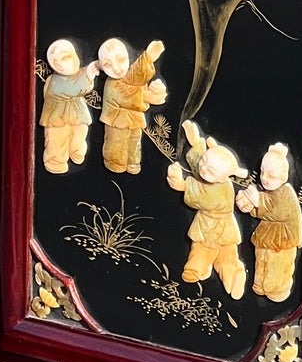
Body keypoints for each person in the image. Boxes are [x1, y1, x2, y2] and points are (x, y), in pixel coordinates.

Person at [167, 119, 246, 299]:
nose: (203, 169)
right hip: (225, 231)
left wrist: (182, 185)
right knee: (222, 255)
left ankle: (229, 275)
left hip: (212, 227)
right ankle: (205, 272)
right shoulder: (209, 174)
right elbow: (198, 168)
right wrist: (197, 144)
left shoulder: (223, 189)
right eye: (204, 162)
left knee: (204, 250)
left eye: (211, 171)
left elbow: (203, 198)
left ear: (224, 176)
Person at [237, 142, 302, 301]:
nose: (264, 179)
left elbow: (275, 210)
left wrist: (256, 199)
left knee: (277, 267)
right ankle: (260, 285)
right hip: (266, 236)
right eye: (262, 173)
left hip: (282, 242)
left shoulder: (286, 193)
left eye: (271, 176)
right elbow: (263, 212)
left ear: (284, 176)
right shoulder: (269, 191)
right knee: (262, 260)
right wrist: (248, 206)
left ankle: (277, 290)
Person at [97, 37, 166, 175]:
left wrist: (148, 58)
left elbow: (136, 74)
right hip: (116, 122)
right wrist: (147, 96)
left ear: (127, 57)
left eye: (121, 60)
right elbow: (125, 96)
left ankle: (133, 162)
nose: (116, 68)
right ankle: (115, 163)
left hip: (134, 120)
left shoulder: (127, 76)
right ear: (101, 66)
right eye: (108, 65)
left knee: (134, 142)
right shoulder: (111, 84)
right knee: (116, 143)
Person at [40, 39, 98, 174]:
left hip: (77, 114)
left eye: (72, 55)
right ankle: (55, 162)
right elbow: (73, 88)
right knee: (56, 140)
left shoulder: (80, 74)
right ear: (55, 65)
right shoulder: (53, 81)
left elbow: (79, 84)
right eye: (66, 58)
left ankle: (77, 151)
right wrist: (88, 76)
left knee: (79, 134)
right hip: (57, 117)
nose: (72, 60)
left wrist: (89, 72)